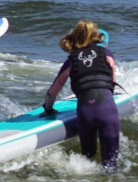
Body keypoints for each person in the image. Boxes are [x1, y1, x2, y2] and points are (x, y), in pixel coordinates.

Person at [43, 20, 120, 172]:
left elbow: (54, 90)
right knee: (111, 166)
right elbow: (112, 80)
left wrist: (48, 108)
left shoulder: (71, 60)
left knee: (87, 161)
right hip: (108, 110)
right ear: (96, 36)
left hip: (86, 113)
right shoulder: (106, 53)